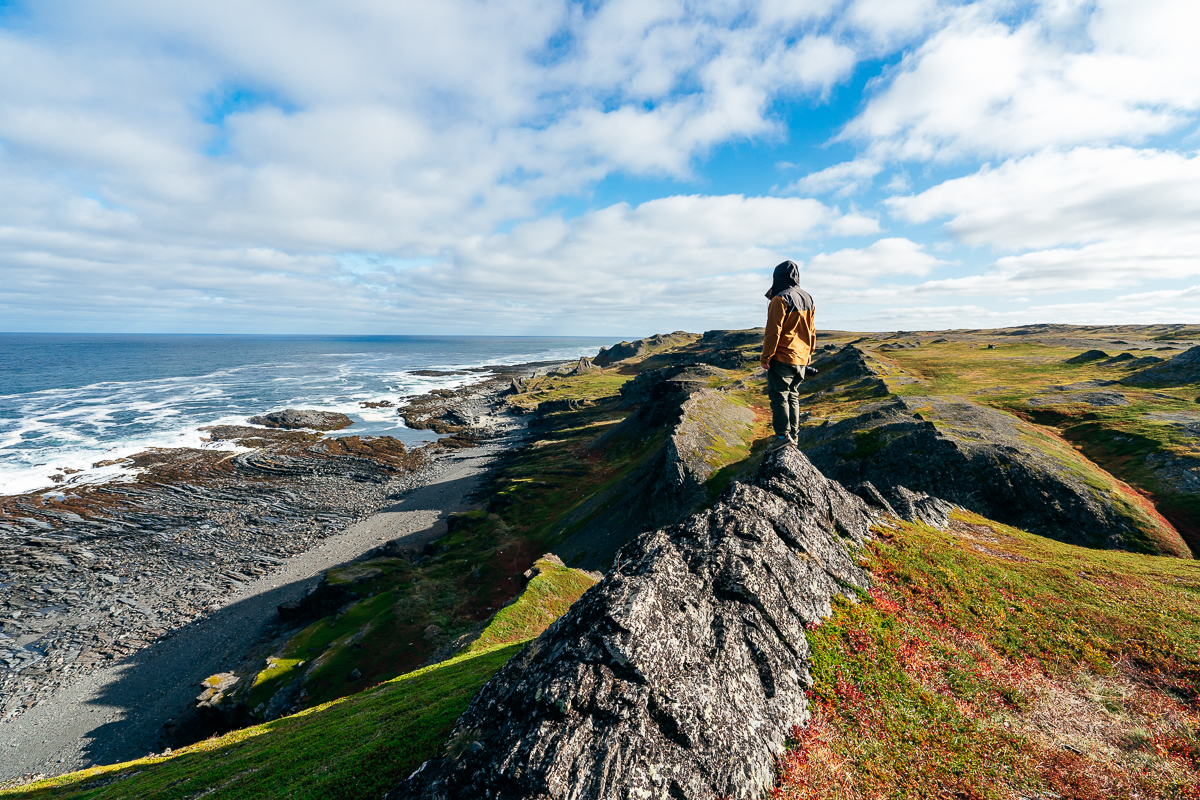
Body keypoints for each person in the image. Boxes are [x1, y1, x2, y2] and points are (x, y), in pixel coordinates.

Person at [759, 260, 815, 448]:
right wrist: (809, 354)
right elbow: (812, 330)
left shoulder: (780, 298)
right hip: (801, 357)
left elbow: (773, 331)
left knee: (779, 396)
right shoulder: (807, 297)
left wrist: (766, 356)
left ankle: (783, 437)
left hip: (783, 356)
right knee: (793, 395)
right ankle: (794, 436)